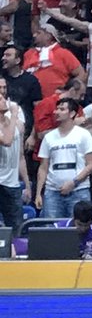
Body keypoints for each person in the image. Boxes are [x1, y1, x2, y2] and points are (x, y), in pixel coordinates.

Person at [35, 98, 92, 220]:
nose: (56, 112)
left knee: (78, 229)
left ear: (72, 113)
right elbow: (43, 167)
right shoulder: (49, 137)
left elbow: (91, 165)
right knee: (52, 230)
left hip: (79, 190)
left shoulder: (84, 135)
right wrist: (38, 193)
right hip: (52, 192)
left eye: (62, 109)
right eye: (57, 109)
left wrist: (74, 183)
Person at [0, 81, 29, 231]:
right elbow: (7, 140)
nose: (4, 98)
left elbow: (20, 155)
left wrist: (27, 185)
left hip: (12, 184)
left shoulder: (16, 125)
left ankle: (14, 254)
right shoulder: (14, 122)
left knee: (16, 227)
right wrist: (14, 116)